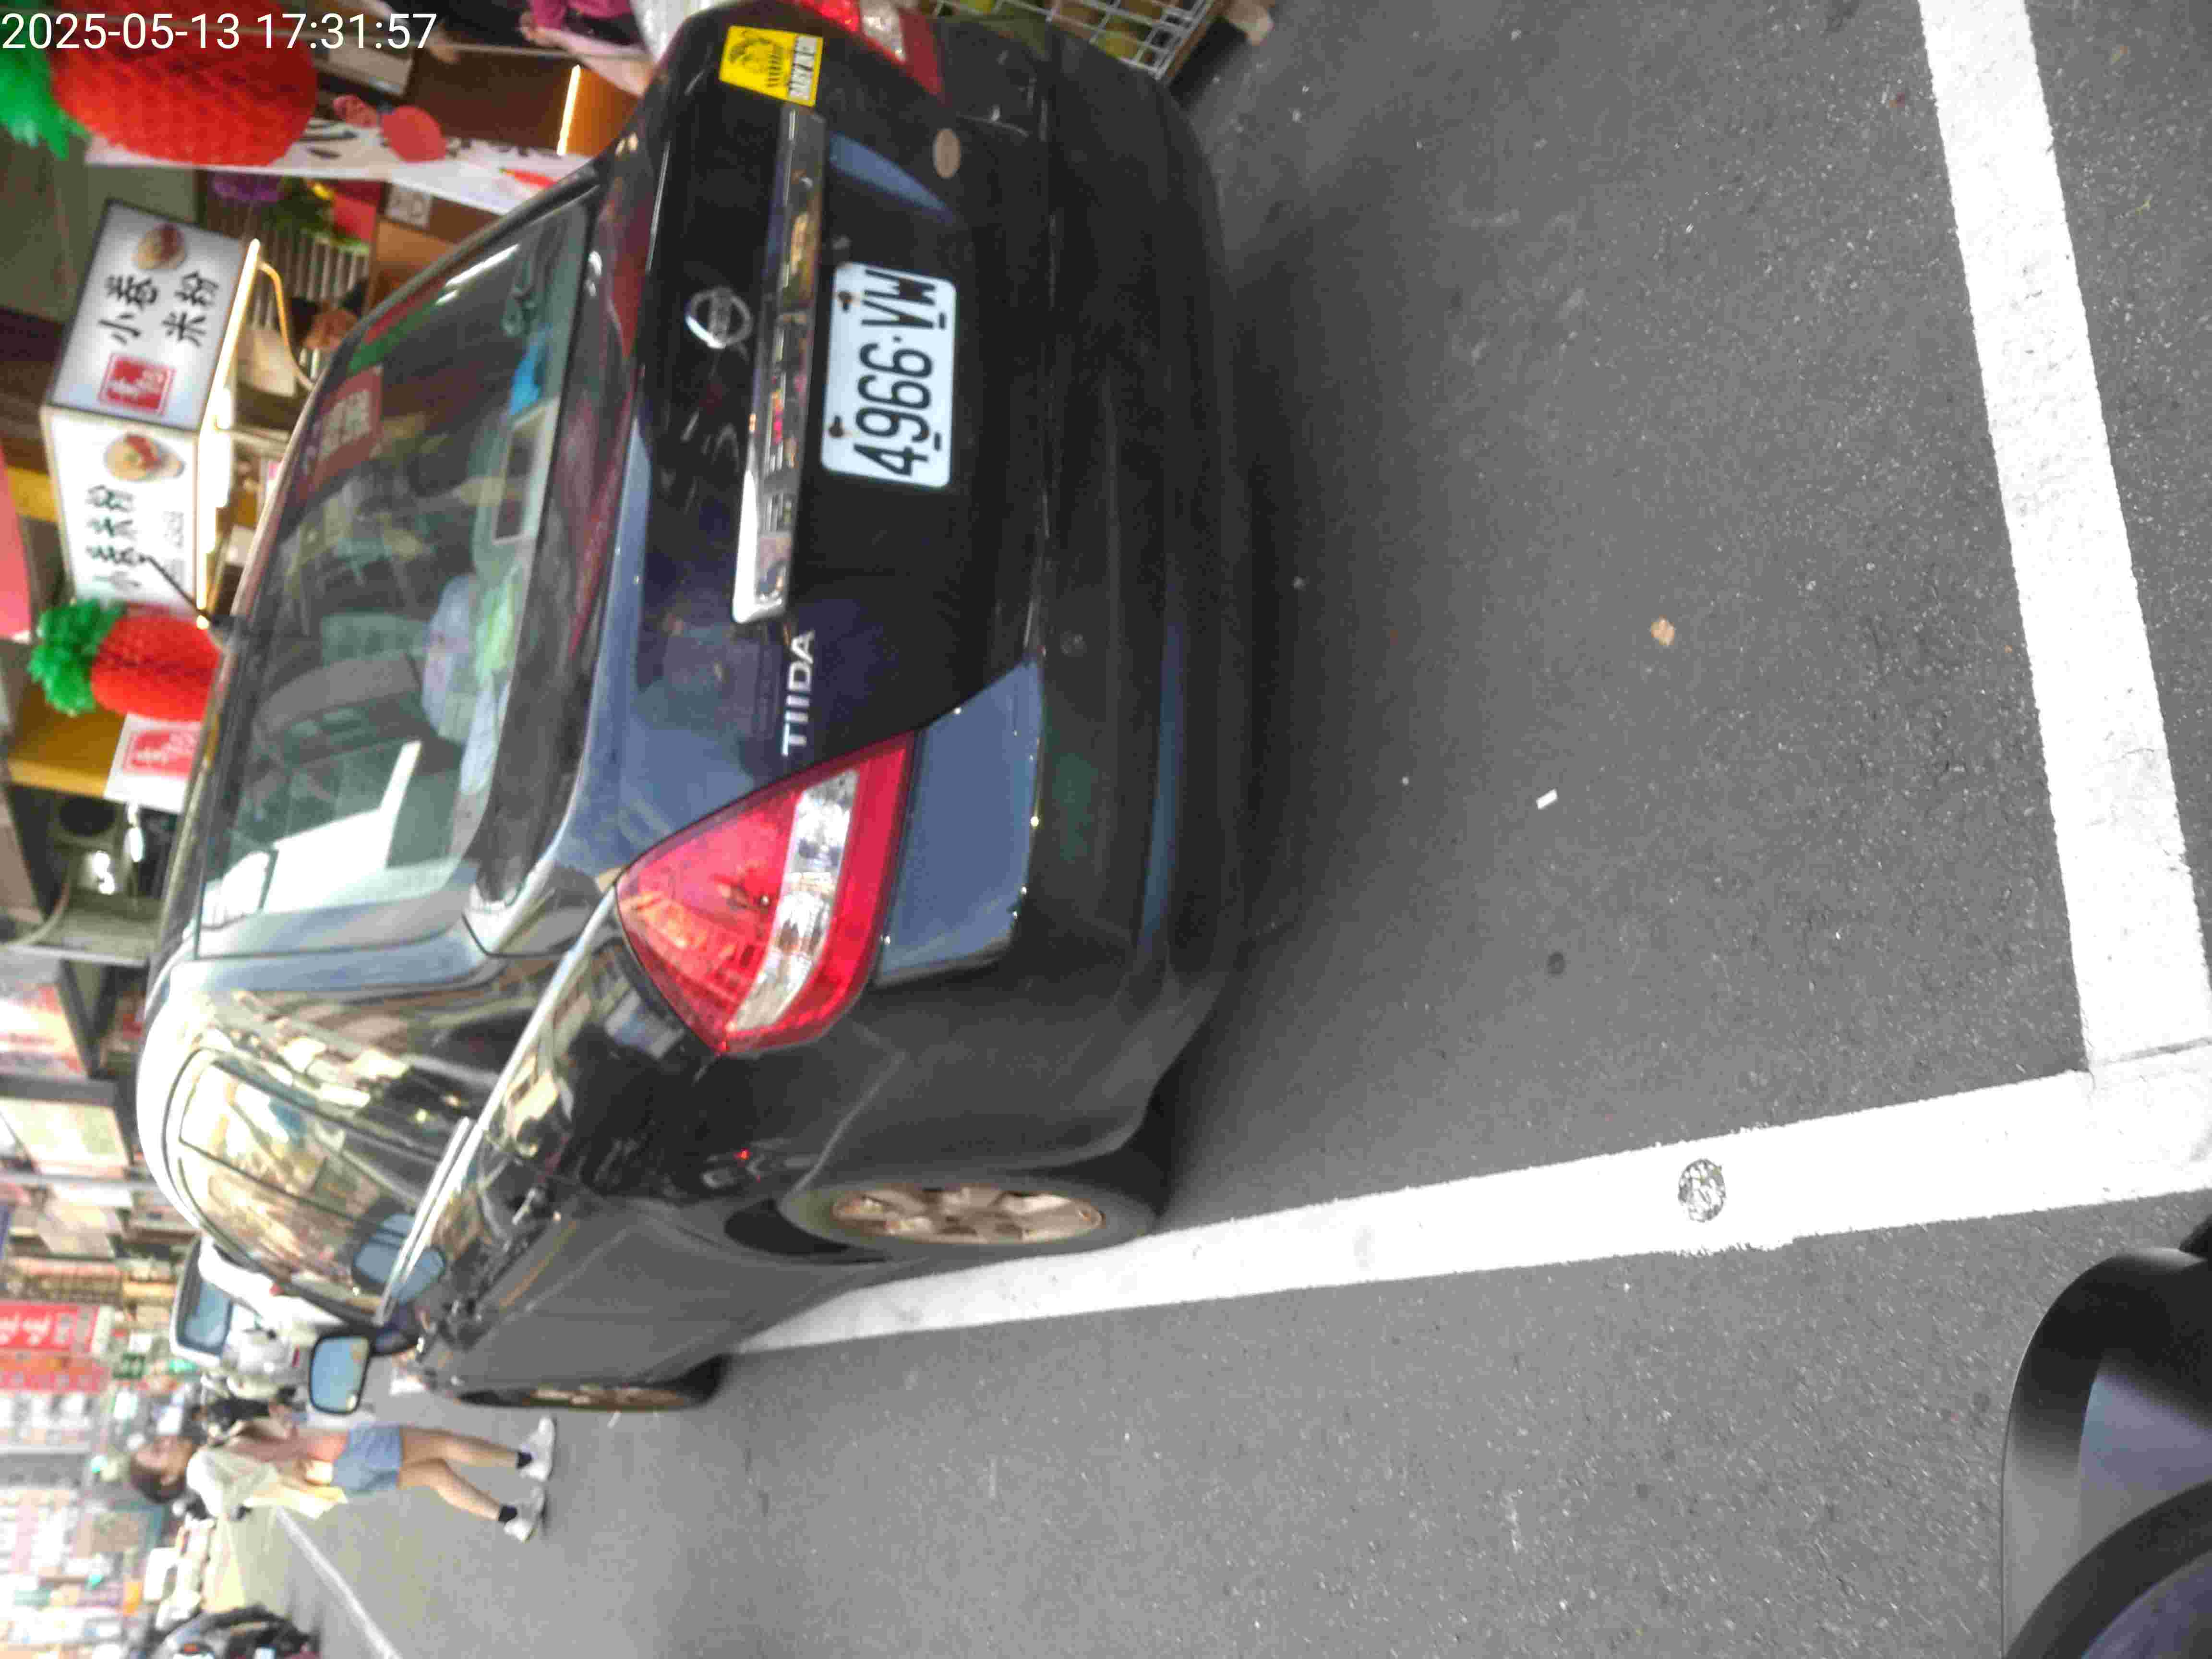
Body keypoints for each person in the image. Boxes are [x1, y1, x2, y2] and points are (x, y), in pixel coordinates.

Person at [129, 1404, 556, 1543]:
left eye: (157, 1441)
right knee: (441, 1443)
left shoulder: (210, 1461)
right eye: (158, 1453)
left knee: (435, 1475)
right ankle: (529, 1460)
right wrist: (278, 1459)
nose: (165, 1442)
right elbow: (230, 1496)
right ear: (167, 1480)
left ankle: (512, 1519)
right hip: (340, 1457)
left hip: (335, 1483)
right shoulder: (202, 1468)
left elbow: (265, 1463)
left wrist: (281, 1438)